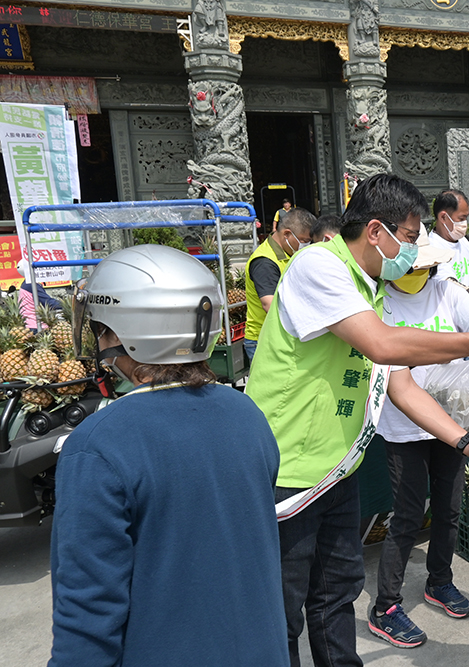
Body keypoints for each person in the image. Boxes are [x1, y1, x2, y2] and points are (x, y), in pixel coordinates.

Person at [244, 173, 469, 667]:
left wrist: (468, 444)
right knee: (285, 609)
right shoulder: (318, 265)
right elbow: (383, 344)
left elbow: (399, 385)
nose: (412, 251)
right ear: (377, 231)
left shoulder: (370, 288)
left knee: (337, 595)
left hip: (338, 468)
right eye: (411, 236)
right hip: (287, 471)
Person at [49, 245, 287, 666]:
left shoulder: (97, 446)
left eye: (102, 330)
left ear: (124, 333)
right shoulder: (247, 414)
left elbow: (87, 611)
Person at [370, 225, 469, 648]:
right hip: (404, 426)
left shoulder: (445, 290)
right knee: (408, 515)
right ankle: (385, 605)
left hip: (453, 422)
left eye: (427, 267)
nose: (421, 273)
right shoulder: (378, 301)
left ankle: (439, 581)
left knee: (448, 507)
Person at [244, 208, 315, 361]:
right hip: (264, 340)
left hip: (280, 337)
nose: (306, 245)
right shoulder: (265, 262)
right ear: (287, 234)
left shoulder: (287, 255)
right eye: (303, 241)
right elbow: (269, 305)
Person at [16, 258, 62, 331]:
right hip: (36, 326)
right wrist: (67, 305)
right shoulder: (31, 285)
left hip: (30, 324)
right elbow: (48, 302)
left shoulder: (27, 283)